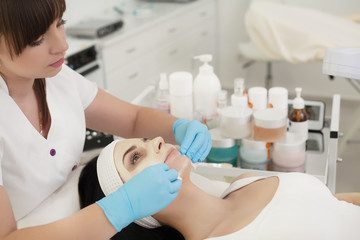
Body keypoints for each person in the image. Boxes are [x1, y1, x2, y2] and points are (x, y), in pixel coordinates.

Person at [0, 0, 212, 239]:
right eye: (37, 39)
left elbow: (132, 120)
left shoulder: (57, 78)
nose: (63, 45)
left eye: (61, 23)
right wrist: (122, 208)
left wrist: (178, 127)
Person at [79, 137, 360, 240]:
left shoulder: (246, 181)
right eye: (136, 157)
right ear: (134, 205)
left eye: (143, 140)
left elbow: (333, 205)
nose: (158, 140)